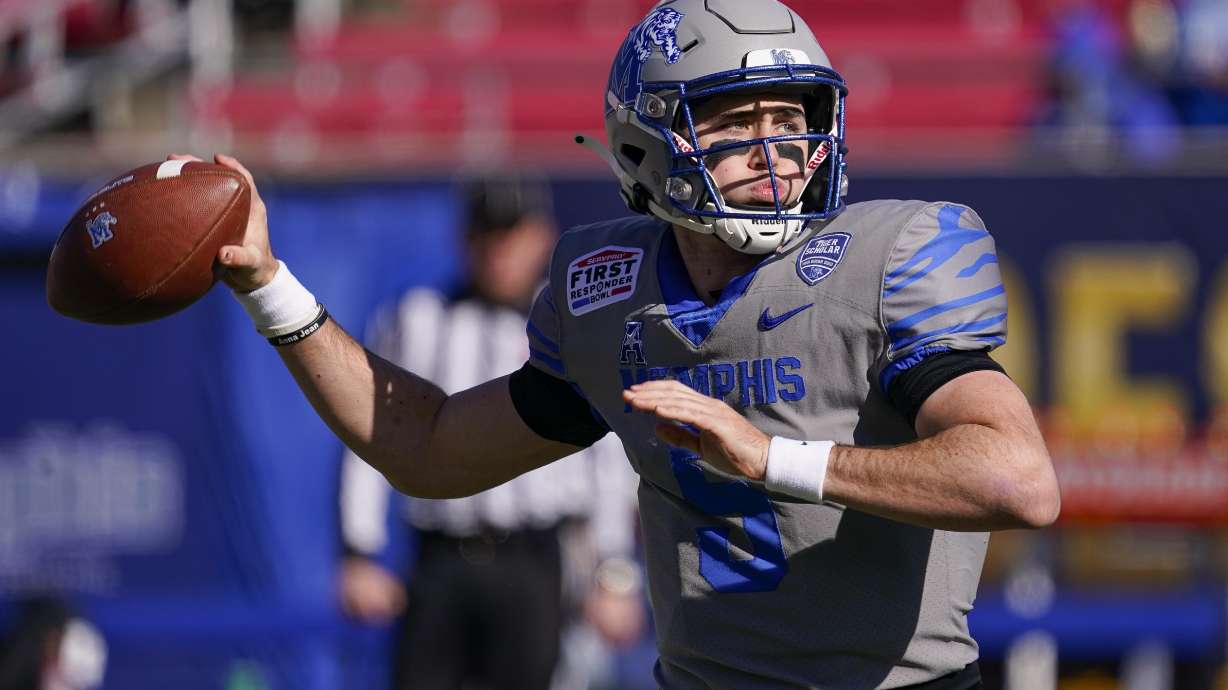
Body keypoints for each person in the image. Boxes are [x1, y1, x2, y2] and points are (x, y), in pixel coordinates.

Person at [178, 0, 1061, 687]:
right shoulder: (608, 290)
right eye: (734, 123)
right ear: (648, 137)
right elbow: (431, 449)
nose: (776, 150)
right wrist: (269, 285)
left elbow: (1016, 478)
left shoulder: (889, 255)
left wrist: (773, 461)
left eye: (790, 117)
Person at [335, 175, 644, 690]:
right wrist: (358, 552)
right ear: (465, 240)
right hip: (440, 555)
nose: (499, 250)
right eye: (487, 234)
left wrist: (614, 575)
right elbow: (373, 429)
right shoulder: (416, 318)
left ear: (542, 236)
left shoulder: (572, 319)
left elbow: (608, 454)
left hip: (534, 558)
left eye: (512, 233)